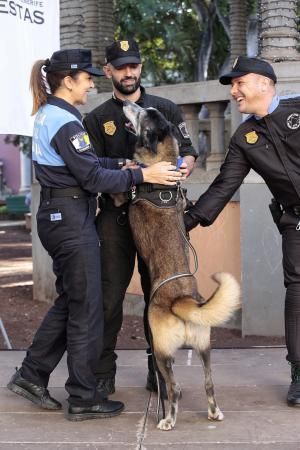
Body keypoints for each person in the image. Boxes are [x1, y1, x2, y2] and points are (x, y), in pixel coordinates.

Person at [6, 48, 183, 421]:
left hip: (62, 214)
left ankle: (32, 374)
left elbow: (86, 163)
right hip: (69, 219)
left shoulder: (54, 115)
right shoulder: (65, 121)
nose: (90, 86)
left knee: (72, 300)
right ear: (68, 81)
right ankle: (84, 397)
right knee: (87, 309)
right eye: (86, 79)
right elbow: (90, 177)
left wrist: (123, 163)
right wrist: (142, 175)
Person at [83, 38, 197, 399]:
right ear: (108, 71)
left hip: (159, 219)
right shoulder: (97, 118)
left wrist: (179, 169)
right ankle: (103, 374)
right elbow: (91, 171)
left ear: (140, 68)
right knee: (109, 299)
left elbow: (189, 153)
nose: (129, 72)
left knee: (160, 296)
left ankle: (159, 371)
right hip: (115, 219)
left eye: (134, 65)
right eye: (121, 67)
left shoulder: (164, 108)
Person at [184, 55, 300, 407]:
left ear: (264, 83)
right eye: (232, 85)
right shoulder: (244, 137)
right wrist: (183, 224)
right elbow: (223, 187)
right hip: (296, 221)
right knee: (297, 292)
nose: (234, 91)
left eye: (239, 82)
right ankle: (299, 375)